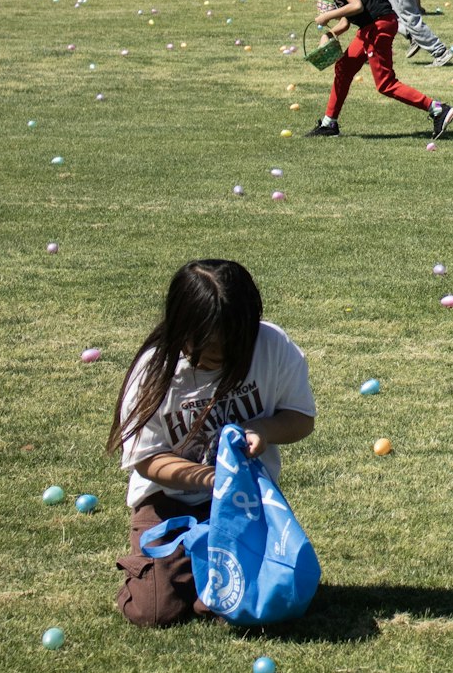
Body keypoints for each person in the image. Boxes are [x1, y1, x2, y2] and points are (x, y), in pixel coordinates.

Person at [108, 259, 317, 629]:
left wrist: (265, 430)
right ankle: (169, 569)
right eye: (212, 347)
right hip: (168, 503)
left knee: (240, 607)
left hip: (244, 503)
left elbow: (301, 418)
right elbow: (147, 460)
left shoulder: (272, 346)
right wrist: (209, 479)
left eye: (236, 343)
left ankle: (200, 571)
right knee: (154, 611)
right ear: (182, 330)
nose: (225, 356)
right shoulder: (155, 371)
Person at [300, 0, 453, 138]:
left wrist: (327, 15)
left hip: (378, 26)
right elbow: (346, 23)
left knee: (385, 83)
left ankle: (437, 109)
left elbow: (356, 5)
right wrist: (329, 34)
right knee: (344, 67)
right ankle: (329, 123)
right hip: (370, 28)